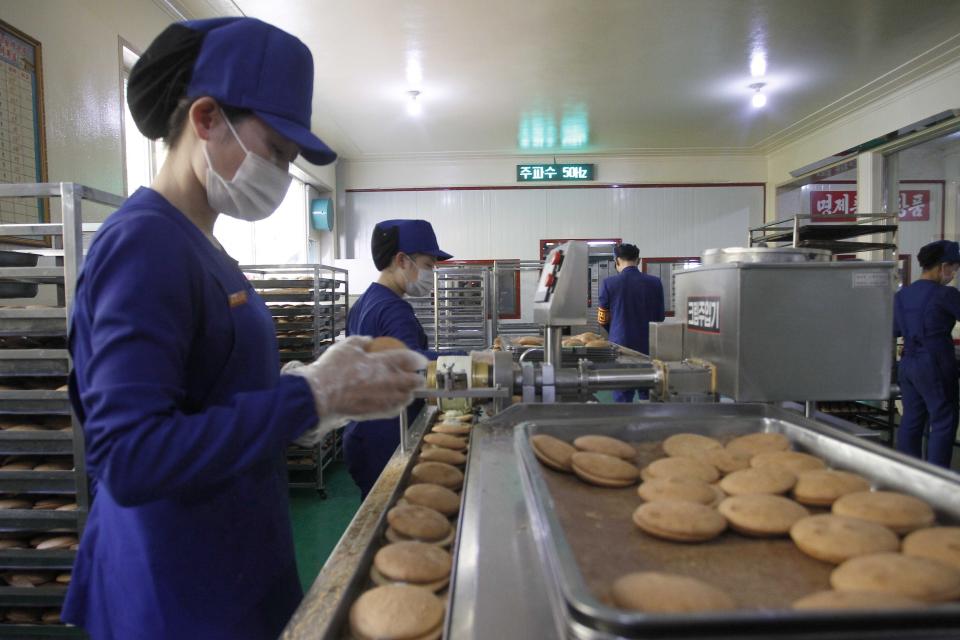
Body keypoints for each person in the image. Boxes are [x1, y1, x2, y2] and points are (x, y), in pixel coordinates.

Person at [64, 18, 426, 639]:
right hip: (174, 591)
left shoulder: (204, 246)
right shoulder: (143, 244)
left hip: (228, 561)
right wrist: (310, 396)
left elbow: (208, 390)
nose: (283, 175)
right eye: (278, 152)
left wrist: (307, 385)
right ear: (206, 118)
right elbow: (129, 456)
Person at [343, 219, 452, 498]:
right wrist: (476, 360)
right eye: (428, 265)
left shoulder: (367, 301)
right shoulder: (393, 309)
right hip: (385, 436)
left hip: (363, 431)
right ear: (402, 260)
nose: (431, 273)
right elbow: (413, 364)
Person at [894, 239, 960, 468]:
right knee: (943, 420)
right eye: (954, 267)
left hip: (908, 364)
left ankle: (908, 475)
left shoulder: (902, 295)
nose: (954, 273)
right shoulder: (946, 294)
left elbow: (894, 330)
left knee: (911, 419)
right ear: (943, 266)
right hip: (935, 363)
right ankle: (935, 479)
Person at [597, 243, 665, 402]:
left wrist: (615, 331)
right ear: (639, 260)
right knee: (648, 391)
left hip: (621, 346)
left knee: (622, 392)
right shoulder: (655, 282)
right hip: (649, 346)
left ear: (617, 261)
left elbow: (602, 319)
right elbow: (660, 316)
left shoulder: (609, 283)